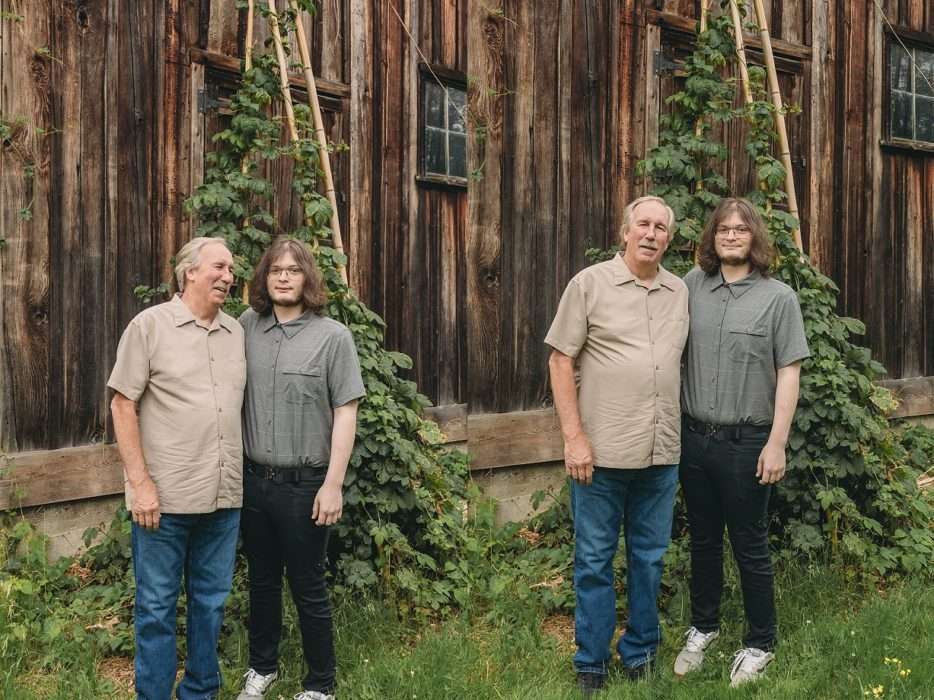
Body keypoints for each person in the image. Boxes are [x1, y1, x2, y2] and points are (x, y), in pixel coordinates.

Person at [545, 196, 689, 695]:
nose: (651, 233)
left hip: (660, 452)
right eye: (643, 224)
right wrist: (574, 439)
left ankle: (641, 651)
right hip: (599, 456)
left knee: (650, 560)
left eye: (661, 228)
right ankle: (591, 659)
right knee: (593, 561)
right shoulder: (589, 285)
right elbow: (561, 361)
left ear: (670, 238)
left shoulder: (679, 292)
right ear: (624, 231)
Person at [674, 197, 809, 687]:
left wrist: (777, 443)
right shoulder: (691, 286)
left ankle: (759, 643)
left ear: (755, 238)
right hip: (695, 438)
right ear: (712, 237)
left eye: (740, 229)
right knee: (704, 541)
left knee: (749, 543)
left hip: (747, 441)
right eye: (723, 229)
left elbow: (788, 373)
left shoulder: (779, 298)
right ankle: (703, 628)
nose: (731, 236)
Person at [108, 237, 245, 700]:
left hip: (224, 498)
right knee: (156, 608)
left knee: (210, 605)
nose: (229, 276)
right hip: (162, 502)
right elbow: (123, 404)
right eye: (220, 267)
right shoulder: (149, 326)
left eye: (232, 269)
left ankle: (200, 692)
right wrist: (140, 484)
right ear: (190, 272)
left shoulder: (237, 332)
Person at [236, 238, 365, 700]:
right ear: (264, 279)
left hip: (306, 483)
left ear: (308, 278)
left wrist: (333, 485)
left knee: (308, 585)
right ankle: (262, 668)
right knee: (262, 581)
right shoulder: (246, 327)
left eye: (292, 270)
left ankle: (319, 685)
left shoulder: (333, 337)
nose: (284, 277)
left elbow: (346, 412)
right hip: (255, 482)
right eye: (275, 271)